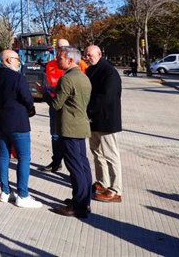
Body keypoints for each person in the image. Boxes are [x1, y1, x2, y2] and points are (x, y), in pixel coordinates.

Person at [0, 49, 42, 208]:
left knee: (3, 156)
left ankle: (5, 191)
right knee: (24, 157)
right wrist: (30, 108)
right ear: (9, 60)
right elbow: (27, 99)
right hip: (18, 122)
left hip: (0, 121)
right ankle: (23, 195)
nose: (19, 62)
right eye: (17, 59)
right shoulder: (18, 78)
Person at [46, 46, 93, 218]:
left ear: (71, 60)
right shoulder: (83, 77)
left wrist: (45, 93)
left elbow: (56, 105)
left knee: (75, 168)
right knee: (83, 165)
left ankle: (78, 206)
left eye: (60, 58)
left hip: (70, 128)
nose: (57, 60)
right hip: (80, 126)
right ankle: (84, 200)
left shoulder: (67, 79)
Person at [84, 45, 123, 203]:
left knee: (111, 155)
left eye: (90, 55)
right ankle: (103, 182)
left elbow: (105, 97)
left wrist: (88, 109)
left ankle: (116, 189)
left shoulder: (109, 72)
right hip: (93, 120)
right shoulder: (90, 70)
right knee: (97, 153)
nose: (87, 57)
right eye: (86, 55)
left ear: (100, 54)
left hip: (106, 121)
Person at [39, 38, 70, 173]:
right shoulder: (51, 65)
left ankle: (72, 166)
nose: (61, 50)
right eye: (59, 47)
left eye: (64, 47)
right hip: (55, 104)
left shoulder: (77, 64)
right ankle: (56, 162)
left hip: (70, 106)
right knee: (55, 135)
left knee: (70, 137)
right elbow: (49, 83)